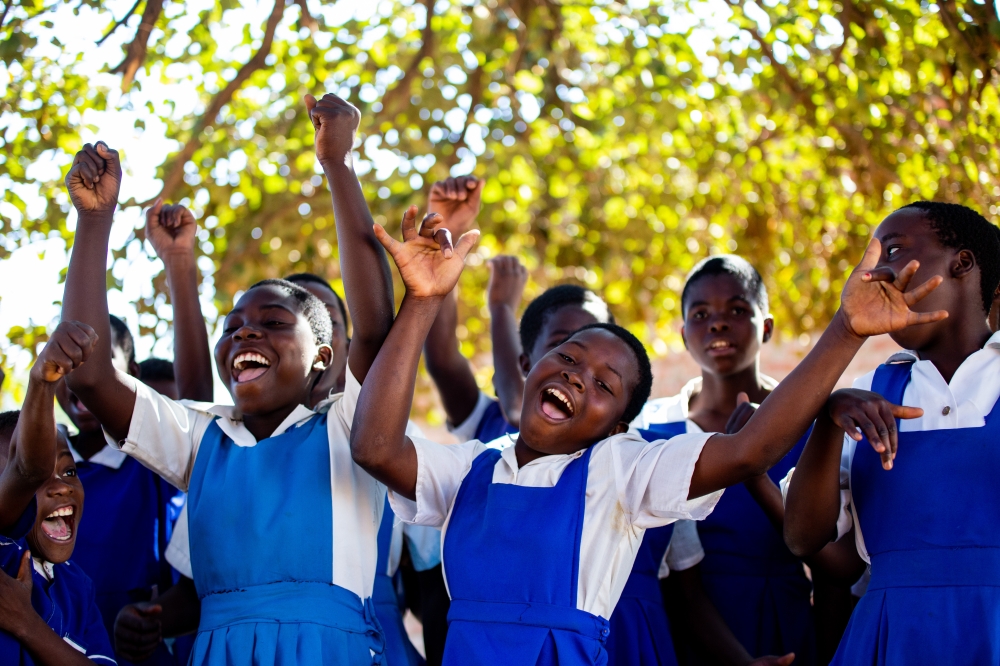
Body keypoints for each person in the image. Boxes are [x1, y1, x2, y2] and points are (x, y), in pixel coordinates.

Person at [349, 198, 945, 666]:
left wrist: (847, 328)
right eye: (568, 355)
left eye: (605, 386)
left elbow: (748, 451)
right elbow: (374, 446)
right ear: (534, 367)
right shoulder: (472, 468)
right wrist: (423, 300)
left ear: (618, 426)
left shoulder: (622, 471)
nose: (579, 378)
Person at [59, 90, 396, 664]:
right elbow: (91, 373)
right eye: (234, 325)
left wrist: (337, 164)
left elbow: (375, 330)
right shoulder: (204, 439)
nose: (245, 333)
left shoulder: (347, 425)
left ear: (323, 356)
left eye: (272, 322)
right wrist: (94, 219)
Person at [784, 201, 1000, 664]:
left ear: (962, 263)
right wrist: (826, 417)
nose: (875, 274)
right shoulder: (864, 396)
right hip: (892, 635)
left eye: (893, 251)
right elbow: (803, 537)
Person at [632, 255, 816, 664]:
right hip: (680, 624)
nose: (717, 323)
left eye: (737, 309)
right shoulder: (653, 427)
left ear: (766, 327)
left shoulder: (807, 423)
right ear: (683, 335)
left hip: (782, 622)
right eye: (701, 314)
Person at [422, 177, 612, 444]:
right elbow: (441, 359)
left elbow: (517, 407)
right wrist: (446, 238)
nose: (577, 371)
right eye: (563, 348)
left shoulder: (610, 444)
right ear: (524, 361)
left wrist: (501, 309)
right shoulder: (488, 421)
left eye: (602, 373)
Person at [0, 320, 116, 665]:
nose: (62, 485)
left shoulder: (77, 586)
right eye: (39, 480)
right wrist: (42, 384)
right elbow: (26, 469)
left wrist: (25, 623)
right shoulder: (5, 549)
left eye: (68, 471)